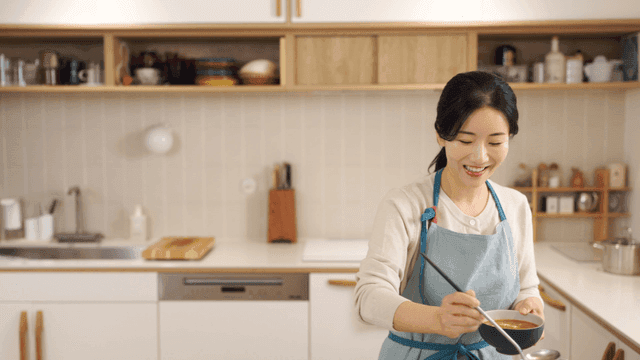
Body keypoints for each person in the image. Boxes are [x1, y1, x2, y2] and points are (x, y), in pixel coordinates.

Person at [354, 71, 544, 360]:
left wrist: (529, 304)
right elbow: (368, 298)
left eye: (495, 142)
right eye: (466, 141)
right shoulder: (405, 204)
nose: (480, 157)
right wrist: (438, 320)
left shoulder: (515, 205)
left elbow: (527, 286)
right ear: (441, 134)